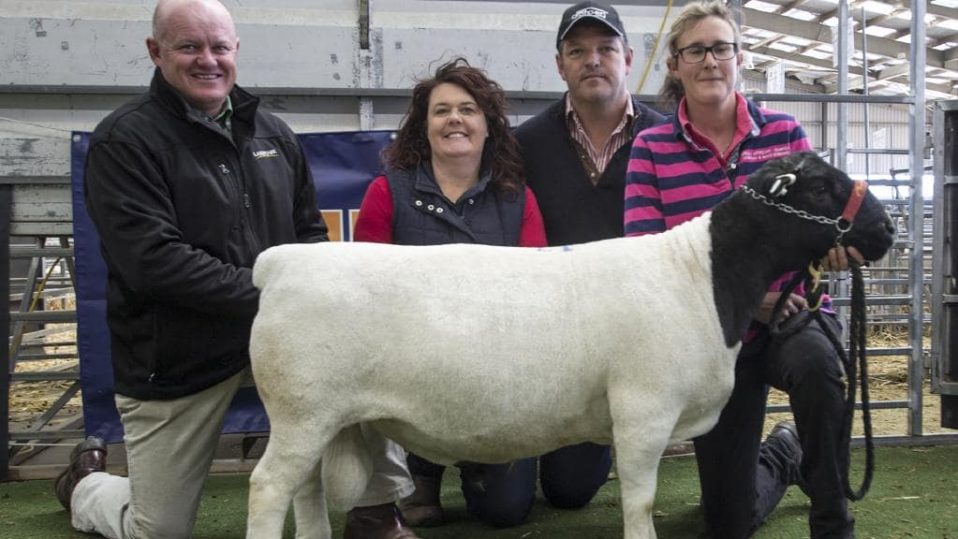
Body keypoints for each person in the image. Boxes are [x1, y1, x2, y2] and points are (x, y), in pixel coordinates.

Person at [54, 1, 419, 538]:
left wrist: (307, 302)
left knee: (359, 359)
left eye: (219, 46)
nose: (208, 60)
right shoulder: (124, 141)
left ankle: (375, 510)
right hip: (179, 354)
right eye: (189, 46)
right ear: (156, 53)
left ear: (236, 52)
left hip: (279, 334)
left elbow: (309, 235)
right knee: (158, 530)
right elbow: (154, 262)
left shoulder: (273, 134)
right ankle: (87, 488)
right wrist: (278, 296)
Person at [624, 2, 859, 538]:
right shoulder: (651, 149)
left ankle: (832, 521)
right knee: (730, 522)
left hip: (792, 317)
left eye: (722, 48)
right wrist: (749, 295)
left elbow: (816, 230)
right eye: (696, 50)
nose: (711, 60)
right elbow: (647, 257)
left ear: (740, 57)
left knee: (820, 367)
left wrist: (833, 249)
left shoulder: (785, 134)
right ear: (675, 65)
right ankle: (786, 452)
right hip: (710, 338)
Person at [354, 57, 549, 529]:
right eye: (441, 111)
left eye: (468, 109)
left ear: (488, 126)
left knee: (504, 512)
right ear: (424, 127)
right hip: (409, 372)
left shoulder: (518, 198)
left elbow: (540, 291)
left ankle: (477, 462)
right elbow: (363, 289)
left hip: (497, 375)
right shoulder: (386, 193)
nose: (455, 119)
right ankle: (420, 470)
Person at [511, 0, 666, 516]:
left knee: (569, 493)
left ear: (628, 57)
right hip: (548, 339)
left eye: (605, 48)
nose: (592, 60)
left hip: (632, 338)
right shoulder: (524, 143)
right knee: (530, 501)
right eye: (577, 51)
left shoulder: (666, 139)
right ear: (560, 65)